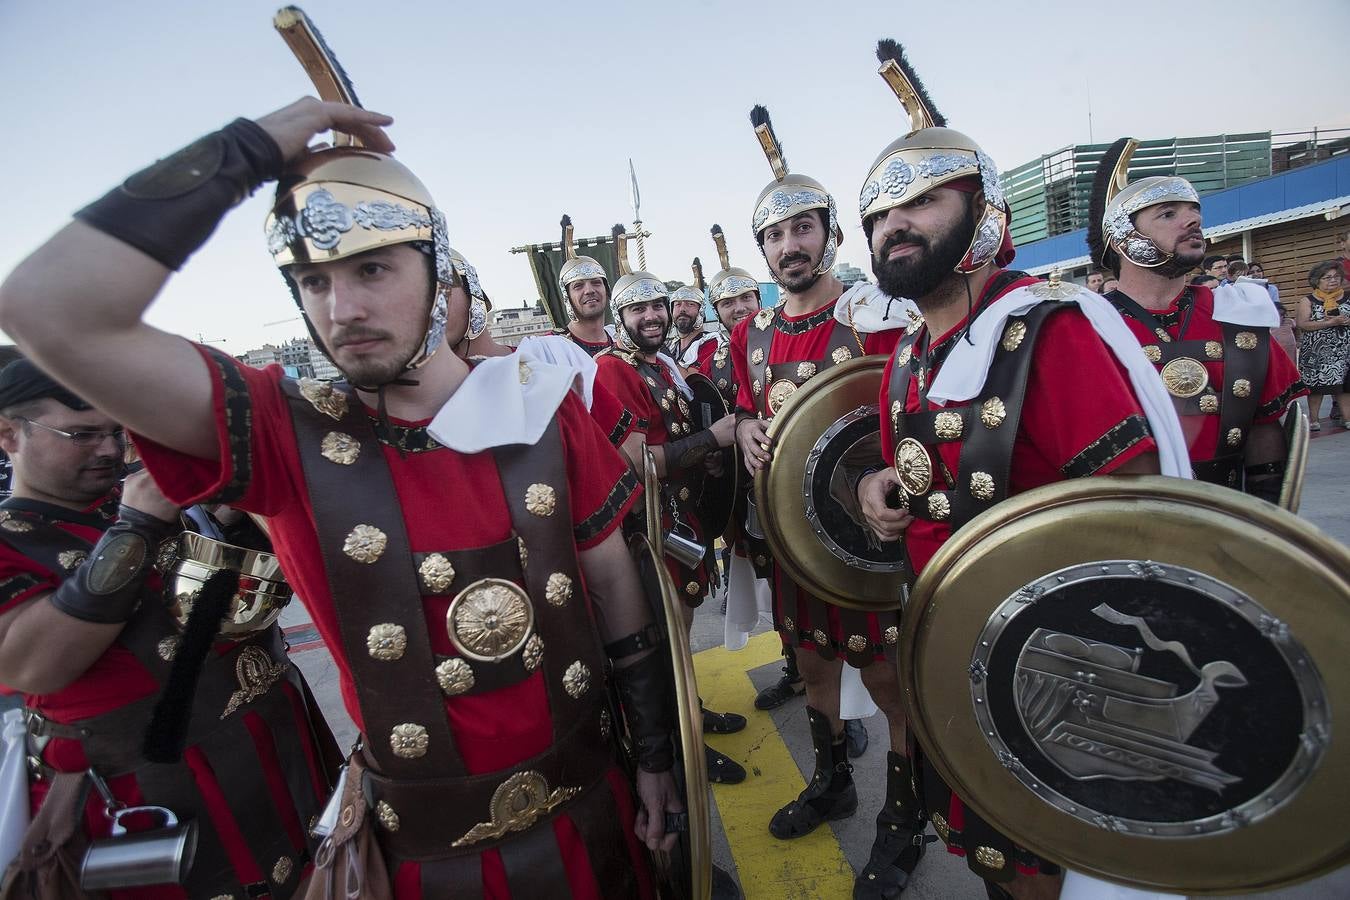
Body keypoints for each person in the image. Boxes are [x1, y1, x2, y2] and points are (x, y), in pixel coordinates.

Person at [0, 97, 687, 898]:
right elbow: (48, 310)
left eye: (372, 269)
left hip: (595, 807)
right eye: (313, 280)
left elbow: (614, 592)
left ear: (436, 269)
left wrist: (657, 761)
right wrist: (246, 153)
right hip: (432, 863)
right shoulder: (282, 437)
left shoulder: (538, 403)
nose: (343, 309)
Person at [854, 42, 1188, 900]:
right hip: (946, 656)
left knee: (1045, 876)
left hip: (1059, 682)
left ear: (984, 210)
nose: (897, 225)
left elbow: (1137, 529)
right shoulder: (909, 357)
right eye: (882, 216)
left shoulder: (1051, 330)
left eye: (924, 201)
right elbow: (929, 481)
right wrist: (881, 492)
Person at [0, 360, 332, 898]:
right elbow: (33, 662)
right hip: (150, 802)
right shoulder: (16, 540)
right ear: (9, 434)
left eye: (116, 433)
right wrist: (135, 526)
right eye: (81, 434)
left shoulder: (129, 507)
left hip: (274, 761)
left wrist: (225, 524)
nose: (109, 451)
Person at [728, 101, 910, 895]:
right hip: (793, 539)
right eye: (774, 235)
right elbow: (743, 405)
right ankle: (832, 781)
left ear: (829, 232)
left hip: (870, 545)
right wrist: (739, 431)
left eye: (802, 228)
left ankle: (903, 823)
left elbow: (916, 416)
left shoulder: (871, 316)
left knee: (889, 682)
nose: (788, 245)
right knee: (810, 660)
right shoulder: (754, 334)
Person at [592, 228, 749, 786]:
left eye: (658, 304)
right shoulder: (614, 369)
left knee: (679, 638)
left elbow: (677, 435)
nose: (653, 315)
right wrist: (716, 441)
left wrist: (705, 461)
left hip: (684, 518)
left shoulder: (662, 366)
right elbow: (639, 463)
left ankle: (694, 716)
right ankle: (686, 755)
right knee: (668, 641)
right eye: (638, 308)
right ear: (620, 316)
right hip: (654, 526)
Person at [1087, 137, 1306, 497]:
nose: (1193, 220)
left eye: (1193, 210)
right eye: (1168, 213)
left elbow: (1264, 429)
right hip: (1121, 517)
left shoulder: (1236, 313)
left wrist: (1264, 520)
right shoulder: (1087, 324)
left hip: (1225, 518)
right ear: (1123, 235)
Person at [1295, 260, 1350, 431]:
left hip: (1344, 351)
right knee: (1316, 388)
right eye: (1327, 277)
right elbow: (1302, 324)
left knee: (1344, 386)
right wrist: (1331, 322)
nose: (1333, 280)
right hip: (1316, 353)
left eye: (1336, 277)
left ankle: (1347, 418)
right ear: (1317, 280)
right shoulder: (1308, 300)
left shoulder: (1348, 297)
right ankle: (1314, 420)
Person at [551, 214, 616, 356]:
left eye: (596, 283)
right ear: (567, 297)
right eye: (578, 286)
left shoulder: (620, 338)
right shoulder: (551, 347)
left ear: (607, 290)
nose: (589, 290)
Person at [665, 271, 717, 373]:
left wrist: (663, 356)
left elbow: (693, 380)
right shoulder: (671, 346)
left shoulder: (712, 342)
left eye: (690, 304)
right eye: (678, 304)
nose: (682, 309)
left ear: (701, 310)